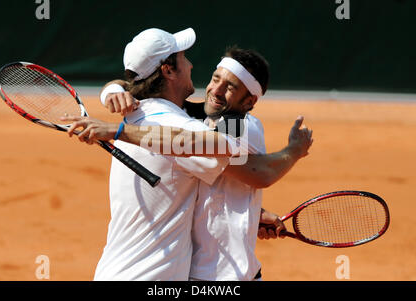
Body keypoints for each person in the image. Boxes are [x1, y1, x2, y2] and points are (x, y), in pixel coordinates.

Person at [63, 31, 313, 280]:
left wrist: (114, 97)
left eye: (230, 87)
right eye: (216, 78)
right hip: (189, 275)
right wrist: (294, 150)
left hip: (218, 274)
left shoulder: (239, 124)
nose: (216, 89)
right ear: (168, 71)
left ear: (248, 102)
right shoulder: (182, 120)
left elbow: (242, 167)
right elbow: (248, 167)